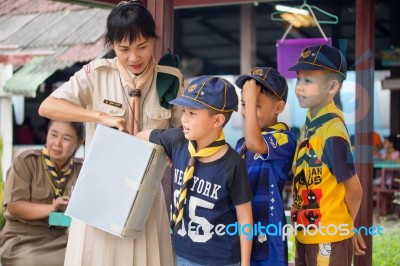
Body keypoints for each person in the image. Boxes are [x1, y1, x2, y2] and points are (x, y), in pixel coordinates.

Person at [38, 1, 183, 265]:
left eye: (142, 46)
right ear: (111, 45)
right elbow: (48, 107)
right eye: (123, 49)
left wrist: (173, 146)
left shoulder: (171, 79)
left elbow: (185, 131)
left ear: (153, 39)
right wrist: (99, 116)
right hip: (100, 195)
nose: (134, 58)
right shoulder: (95, 74)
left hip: (147, 196)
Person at [136, 75, 254, 266]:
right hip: (182, 254)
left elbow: (245, 216)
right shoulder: (178, 141)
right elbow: (140, 137)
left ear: (217, 121)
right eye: (184, 111)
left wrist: (245, 263)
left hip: (221, 259)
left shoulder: (233, 164)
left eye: (193, 113)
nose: (184, 119)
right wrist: (160, 156)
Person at [288, 44, 366, 265]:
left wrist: (346, 227)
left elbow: (355, 190)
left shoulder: (332, 131)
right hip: (306, 233)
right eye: (299, 79)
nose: (299, 87)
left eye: (308, 81)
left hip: (328, 238)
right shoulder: (309, 125)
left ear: (332, 87)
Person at [234, 67, 296, 266]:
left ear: (279, 107)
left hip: (267, 235)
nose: (246, 111)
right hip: (240, 232)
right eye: (244, 105)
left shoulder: (285, 139)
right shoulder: (241, 144)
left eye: (255, 106)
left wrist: (249, 99)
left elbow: (256, 143)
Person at [0, 121, 85, 266]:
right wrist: (51, 208)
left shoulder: (82, 170)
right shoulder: (26, 161)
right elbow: (14, 207)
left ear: (79, 143)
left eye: (65, 139)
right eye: (53, 135)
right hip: (21, 238)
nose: (57, 143)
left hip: (60, 238)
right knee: (33, 262)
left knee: (84, 259)